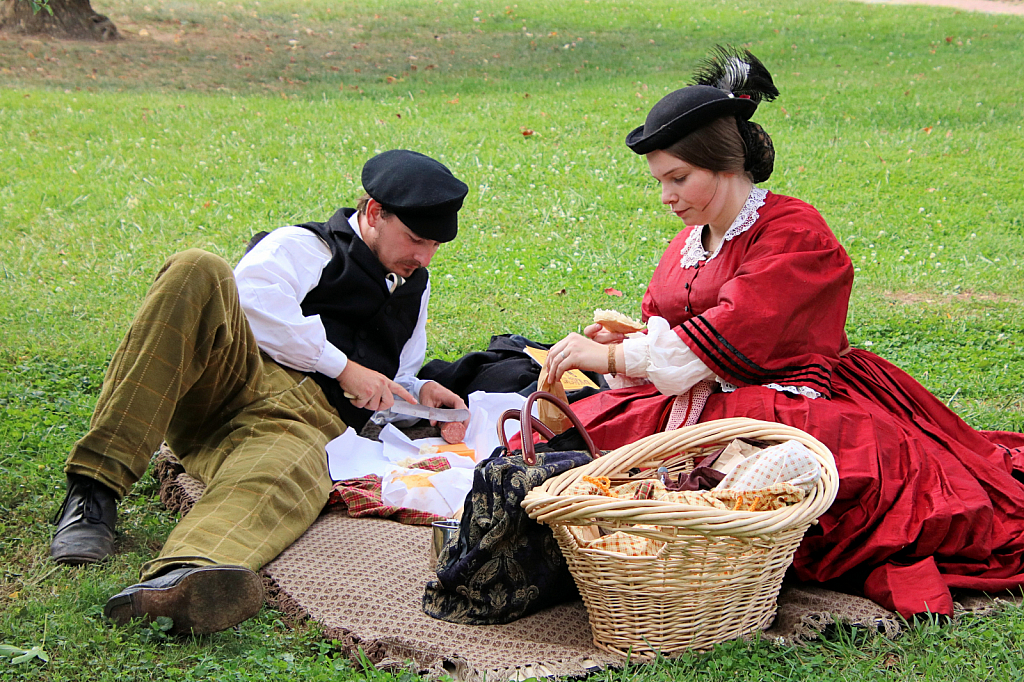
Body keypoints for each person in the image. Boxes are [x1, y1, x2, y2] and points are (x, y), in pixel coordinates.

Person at [544, 47, 1024, 620]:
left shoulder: (794, 232)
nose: (666, 196)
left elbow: (736, 329)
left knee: (818, 484)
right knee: (581, 454)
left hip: (794, 393)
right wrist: (627, 336)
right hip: (699, 395)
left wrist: (615, 355)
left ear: (724, 166)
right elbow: (673, 325)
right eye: (660, 182)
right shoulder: (692, 239)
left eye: (678, 178)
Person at [50, 149, 470, 634]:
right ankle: (93, 492)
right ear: (374, 213)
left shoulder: (417, 284)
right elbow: (251, 301)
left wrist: (420, 391)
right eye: (416, 238)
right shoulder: (307, 247)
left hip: (302, 425)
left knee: (289, 474)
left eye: (435, 244)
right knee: (196, 268)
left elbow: (397, 371)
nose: (424, 256)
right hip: (233, 379)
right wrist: (342, 367)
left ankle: (186, 577)